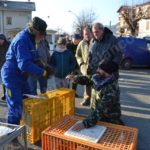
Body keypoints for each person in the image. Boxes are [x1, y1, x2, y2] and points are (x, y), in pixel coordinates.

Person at [1, 17, 53, 125]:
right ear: (34, 31)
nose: (42, 36)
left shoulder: (31, 39)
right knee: (15, 106)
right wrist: (42, 72)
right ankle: (12, 135)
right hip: (11, 76)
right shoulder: (22, 40)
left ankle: (27, 127)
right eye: (41, 34)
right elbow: (24, 64)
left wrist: (45, 66)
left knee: (28, 99)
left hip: (21, 76)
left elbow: (35, 57)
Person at [66, 60, 124, 131]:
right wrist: (75, 78)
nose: (97, 70)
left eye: (100, 69)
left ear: (107, 72)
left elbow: (101, 109)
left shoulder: (111, 89)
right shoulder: (98, 77)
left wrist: (85, 124)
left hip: (109, 119)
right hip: (97, 117)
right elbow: (88, 79)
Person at [75, 27, 93, 106]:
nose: (87, 35)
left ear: (91, 33)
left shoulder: (96, 41)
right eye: (85, 34)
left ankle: (97, 101)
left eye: (88, 33)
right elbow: (78, 55)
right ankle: (87, 99)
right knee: (87, 83)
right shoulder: (81, 43)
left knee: (97, 84)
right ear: (83, 34)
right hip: (86, 68)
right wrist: (81, 64)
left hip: (96, 67)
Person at [0, 34, 10, 100]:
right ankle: (5, 95)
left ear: (4, 39)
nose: (0, 41)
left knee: (9, 81)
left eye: (1, 40)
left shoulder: (9, 44)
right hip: (1, 66)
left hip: (9, 65)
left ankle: (9, 95)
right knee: (4, 81)